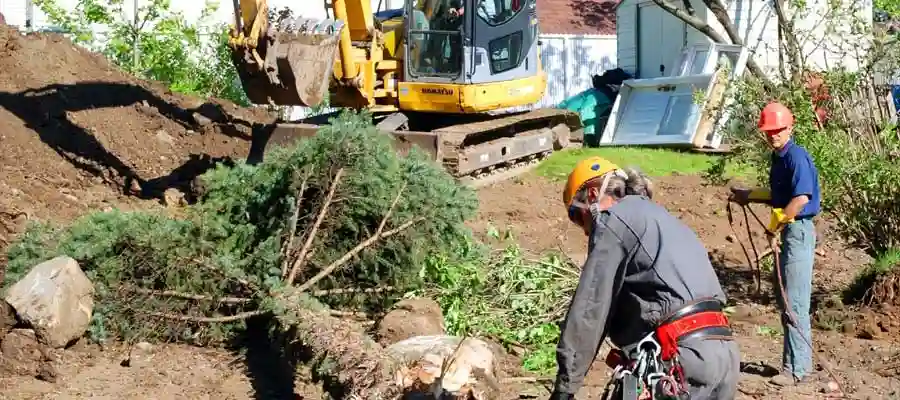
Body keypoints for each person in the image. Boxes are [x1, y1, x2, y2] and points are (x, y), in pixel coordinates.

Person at [550, 156, 740, 399]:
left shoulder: (614, 220)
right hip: (724, 354)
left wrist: (564, 388)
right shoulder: (665, 221)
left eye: (576, 216)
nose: (585, 229)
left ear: (593, 194)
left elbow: (591, 309)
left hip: (682, 358)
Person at [729, 101, 821, 387]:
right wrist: (750, 195)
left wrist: (775, 224)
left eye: (778, 130)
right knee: (786, 300)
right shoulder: (778, 158)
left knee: (794, 302)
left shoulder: (796, 157)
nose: (773, 135)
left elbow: (800, 199)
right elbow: (780, 195)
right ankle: (790, 365)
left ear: (789, 128)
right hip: (789, 232)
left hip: (799, 231)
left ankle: (798, 370)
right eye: (769, 131)